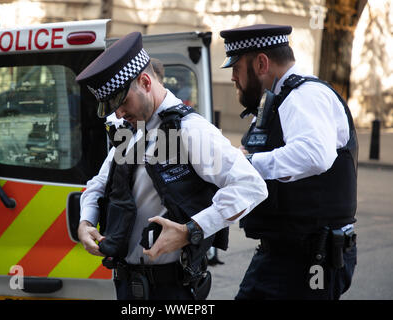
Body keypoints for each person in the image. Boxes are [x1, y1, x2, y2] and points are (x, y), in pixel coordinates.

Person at [75, 31, 268, 300]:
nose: (117, 114)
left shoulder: (190, 130)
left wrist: (192, 231)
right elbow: (100, 184)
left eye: (121, 103)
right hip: (128, 284)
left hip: (170, 289)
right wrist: (86, 221)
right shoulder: (130, 129)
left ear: (144, 82)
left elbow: (251, 186)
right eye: (110, 106)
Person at [219, 24, 358, 300]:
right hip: (283, 252)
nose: (233, 77)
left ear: (261, 63)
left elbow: (314, 155)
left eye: (236, 68)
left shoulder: (306, 95)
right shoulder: (278, 100)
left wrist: (250, 163)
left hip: (311, 258)